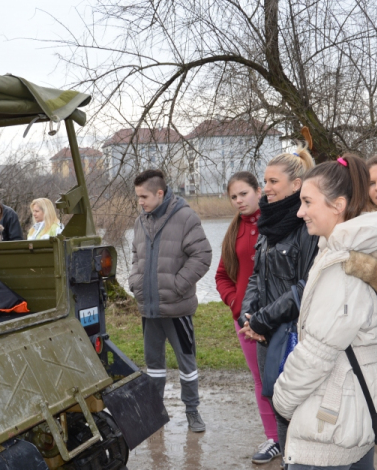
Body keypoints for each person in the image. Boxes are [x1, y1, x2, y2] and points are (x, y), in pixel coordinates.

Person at [273, 154, 377, 470]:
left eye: (308, 202)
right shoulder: (357, 252)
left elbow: (316, 353)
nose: (300, 212)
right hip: (353, 410)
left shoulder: (344, 266)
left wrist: (282, 399)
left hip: (331, 420)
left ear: (338, 205)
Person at [238, 146, 319, 460]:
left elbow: (306, 286)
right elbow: (257, 274)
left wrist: (264, 319)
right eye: (265, 181)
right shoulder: (268, 224)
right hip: (265, 334)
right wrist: (250, 316)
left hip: (295, 335)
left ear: (296, 185)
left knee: (300, 410)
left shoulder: (306, 225)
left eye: (273, 182)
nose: (266, 188)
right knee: (277, 403)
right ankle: (288, 460)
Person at [128, 169, 212, 433]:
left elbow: (203, 255)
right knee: (153, 367)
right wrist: (135, 282)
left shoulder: (185, 217)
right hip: (149, 309)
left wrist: (177, 285)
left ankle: (192, 412)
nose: (140, 201)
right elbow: (135, 255)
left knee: (187, 365)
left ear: (160, 193)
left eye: (144, 196)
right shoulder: (140, 221)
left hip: (177, 309)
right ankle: (155, 413)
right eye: (138, 197)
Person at [215, 171, 281, 464]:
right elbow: (221, 276)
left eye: (244, 193)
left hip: (279, 315)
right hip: (246, 321)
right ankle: (274, 438)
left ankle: (294, 434)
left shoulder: (278, 220)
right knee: (260, 379)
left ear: (258, 191)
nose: (239, 200)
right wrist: (235, 304)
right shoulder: (233, 231)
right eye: (234, 196)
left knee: (286, 376)